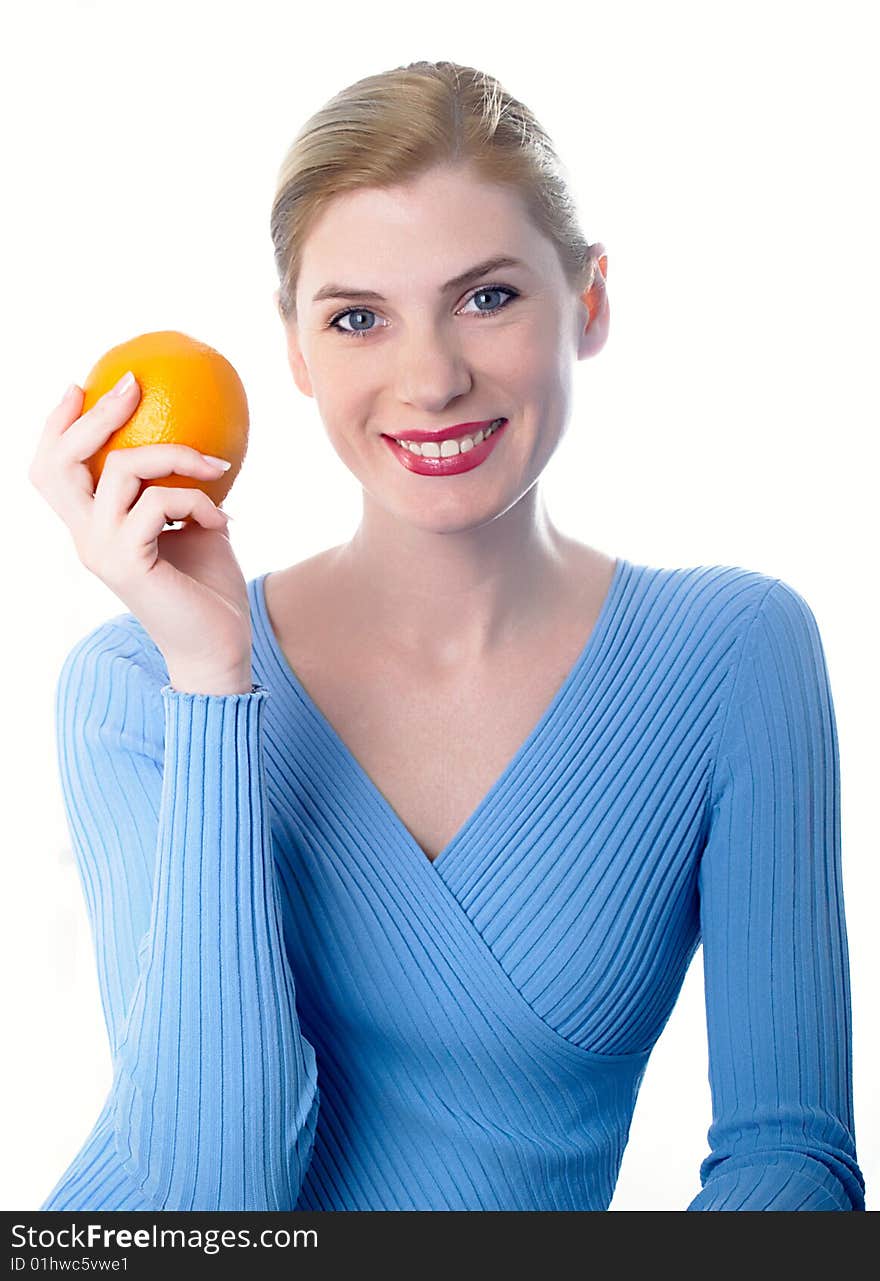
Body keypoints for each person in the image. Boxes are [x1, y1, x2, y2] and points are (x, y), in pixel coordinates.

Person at [29, 59, 865, 1212]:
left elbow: (794, 1163)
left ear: (590, 300)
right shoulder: (135, 682)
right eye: (358, 317)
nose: (429, 379)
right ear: (295, 352)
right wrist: (214, 683)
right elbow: (206, 1205)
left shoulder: (733, 655)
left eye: (486, 297)